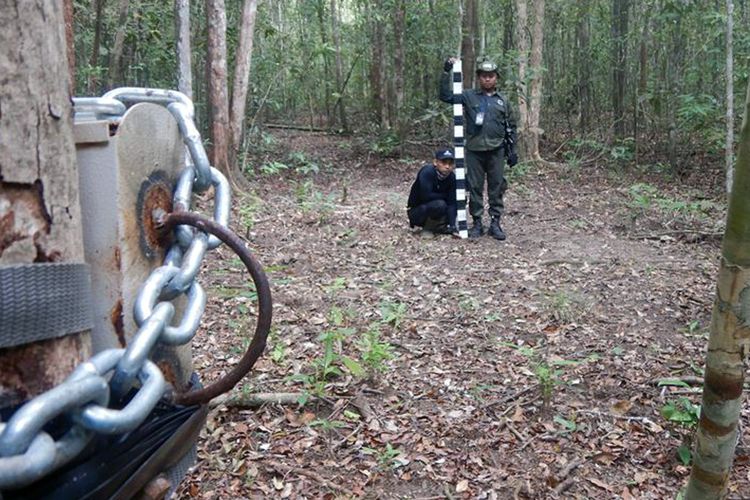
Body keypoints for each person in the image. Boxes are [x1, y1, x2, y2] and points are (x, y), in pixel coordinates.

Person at [439, 58, 518, 240]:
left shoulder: (503, 101)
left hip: (496, 151)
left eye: (491, 76)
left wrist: (513, 151)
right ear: (479, 78)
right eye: (484, 76)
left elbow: (511, 127)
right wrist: (446, 72)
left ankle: (495, 223)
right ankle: (476, 223)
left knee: (496, 187)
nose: (487, 80)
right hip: (475, 151)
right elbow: (445, 96)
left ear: (496, 78)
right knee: (474, 187)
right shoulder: (468, 96)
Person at [407, 148, 458, 236]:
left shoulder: (452, 177)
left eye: (450, 163)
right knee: (440, 204)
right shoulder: (427, 172)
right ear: (435, 162)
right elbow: (425, 196)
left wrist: (452, 225)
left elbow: (452, 202)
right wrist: (446, 196)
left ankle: (443, 226)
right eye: (444, 163)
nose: (447, 166)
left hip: (438, 207)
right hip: (418, 211)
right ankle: (428, 228)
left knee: (459, 199)